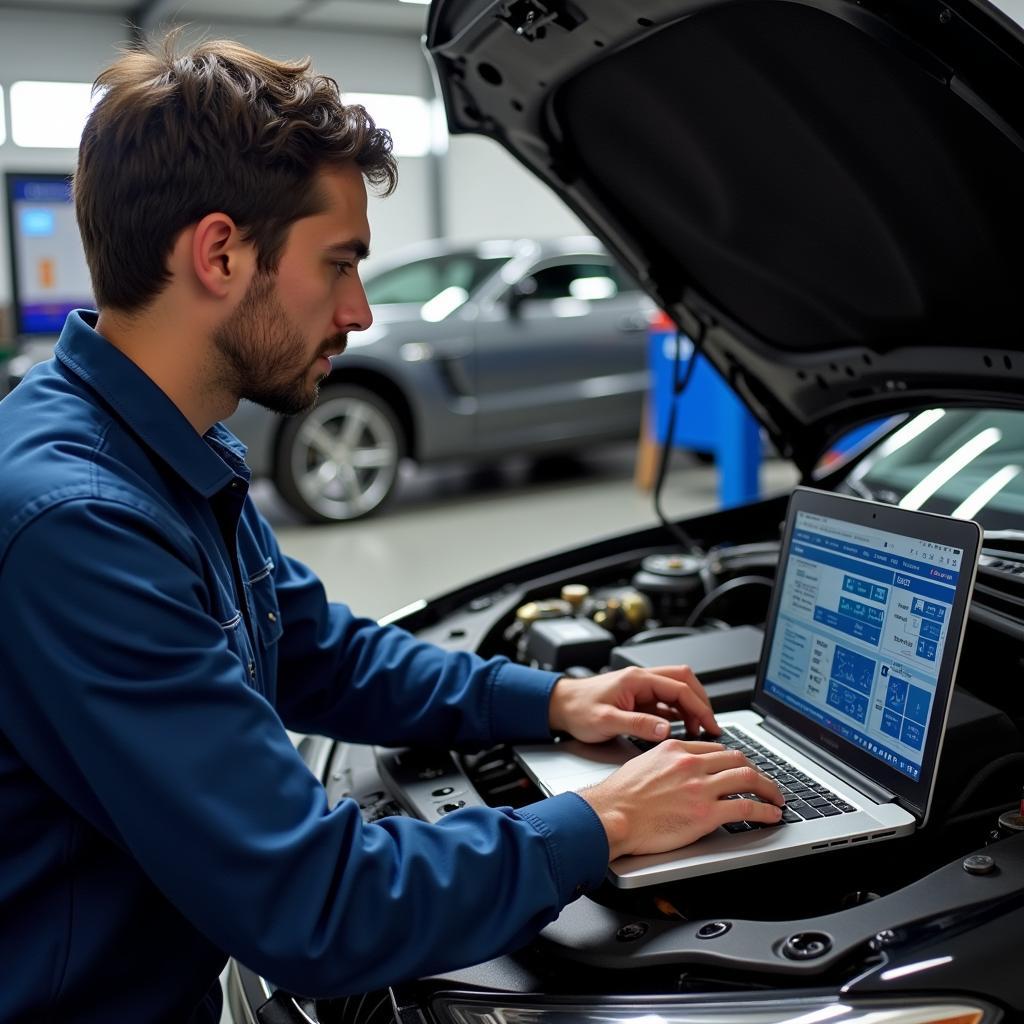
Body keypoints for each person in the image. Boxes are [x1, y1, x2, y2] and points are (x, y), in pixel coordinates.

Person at [0, 35, 783, 1024]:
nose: (361, 311)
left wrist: (553, 697)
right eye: (339, 265)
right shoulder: (79, 524)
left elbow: (317, 652)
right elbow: (316, 907)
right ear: (220, 252)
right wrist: (605, 817)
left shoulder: (152, 450)